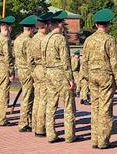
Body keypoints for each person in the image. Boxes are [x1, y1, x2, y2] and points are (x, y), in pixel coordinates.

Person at [81, 8, 117, 149]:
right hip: (105, 76)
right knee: (105, 109)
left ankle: (95, 139)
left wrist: (85, 77)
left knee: (95, 107)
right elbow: (114, 61)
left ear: (96, 24)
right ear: (108, 24)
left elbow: (84, 60)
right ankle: (103, 140)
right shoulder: (109, 39)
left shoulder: (88, 40)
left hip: (92, 76)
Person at [42, 11, 77, 143]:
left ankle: (50, 134)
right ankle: (70, 135)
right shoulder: (60, 39)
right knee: (68, 104)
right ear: (59, 24)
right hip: (60, 74)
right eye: (62, 23)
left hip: (49, 73)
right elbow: (65, 61)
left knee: (51, 104)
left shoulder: (45, 38)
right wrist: (70, 79)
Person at [28, 12, 52, 136]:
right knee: (43, 100)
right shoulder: (45, 39)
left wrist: (33, 71)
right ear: (46, 25)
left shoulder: (33, 39)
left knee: (37, 99)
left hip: (36, 70)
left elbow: (29, 59)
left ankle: (35, 125)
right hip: (43, 69)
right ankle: (41, 128)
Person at [14, 15, 37, 132]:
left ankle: (28, 121)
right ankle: (23, 123)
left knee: (26, 95)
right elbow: (30, 59)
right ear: (31, 29)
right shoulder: (28, 41)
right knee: (28, 97)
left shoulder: (18, 39)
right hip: (28, 71)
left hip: (21, 70)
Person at [0, 15, 15, 126]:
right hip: (4, 68)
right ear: (7, 27)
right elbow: (8, 57)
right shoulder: (6, 40)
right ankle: (1, 119)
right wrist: (11, 72)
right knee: (3, 95)